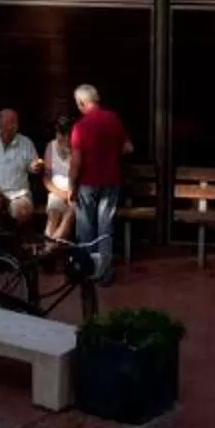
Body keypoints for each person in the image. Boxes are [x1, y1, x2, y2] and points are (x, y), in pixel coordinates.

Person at [68, 84, 130, 284]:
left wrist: (71, 185)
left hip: (87, 182)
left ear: (82, 103)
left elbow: (76, 161)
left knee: (85, 227)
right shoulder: (114, 119)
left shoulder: (80, 126)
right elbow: (127, 147)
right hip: (111, 180)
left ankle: (88, 269)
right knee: (106, 226)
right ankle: (104, 271)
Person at [39, 116, 77, 253]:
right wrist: (59, 193)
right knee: (53, 215)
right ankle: (49, 250)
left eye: (65, 134)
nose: (62, 137)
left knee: (69, 216)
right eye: (59, 133)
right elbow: (46, 179)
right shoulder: (51, 146)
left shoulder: (78, 148)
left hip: (75, 193)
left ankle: (47, 250)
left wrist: (71, 194)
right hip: (56, 191)